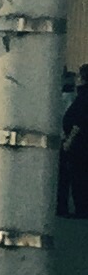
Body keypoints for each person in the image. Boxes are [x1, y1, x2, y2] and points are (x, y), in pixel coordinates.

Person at [62, 73, 88, 221]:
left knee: (79, 176)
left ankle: (81, 209)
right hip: (82, 142)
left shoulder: (83, 97)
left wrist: (69, 141)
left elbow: (78, 121)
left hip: (79, 143)